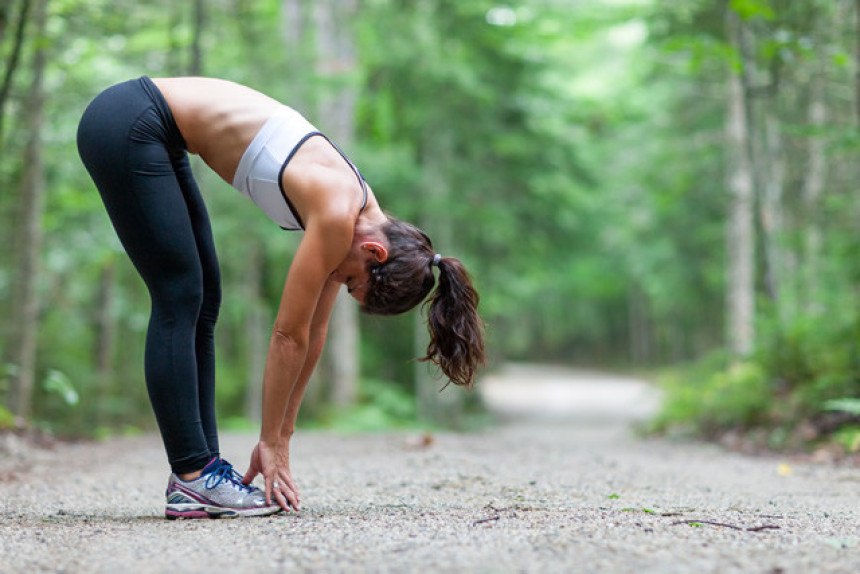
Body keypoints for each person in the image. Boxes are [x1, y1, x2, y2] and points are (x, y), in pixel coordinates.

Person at [76, 76, 485, 519]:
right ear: (374, 252)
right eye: (351, 282)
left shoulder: (357, 221)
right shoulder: (336, 212)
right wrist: (267, 441)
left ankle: (205, 472)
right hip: (132, 120)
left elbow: (315, 331)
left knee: (203, 297)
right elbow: (287, 335)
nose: (340, 282)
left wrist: (282, 439)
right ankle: (192, 476)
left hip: (155, 131)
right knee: (180, 293)